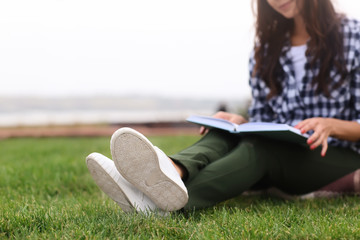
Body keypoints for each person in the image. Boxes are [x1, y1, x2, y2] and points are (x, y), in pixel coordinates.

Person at [86, 0, 360, 213]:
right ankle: (171, 169)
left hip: (337, 154)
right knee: (225, 132)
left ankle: (157, 203)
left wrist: (330, 125)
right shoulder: (267, 48)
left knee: (261, 150)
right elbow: (264, 119)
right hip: (285, 146)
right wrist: (239, 122)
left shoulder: (352, 36)